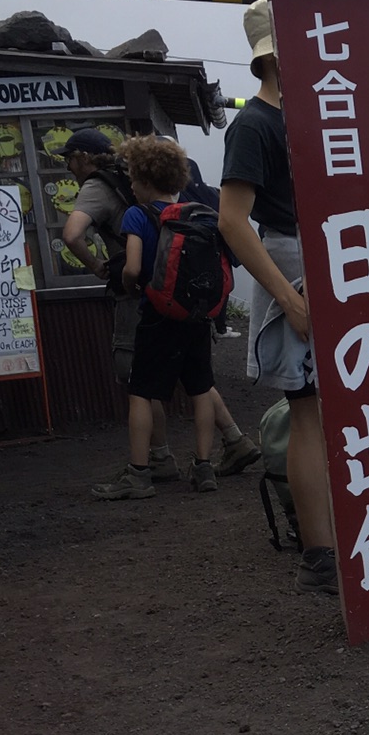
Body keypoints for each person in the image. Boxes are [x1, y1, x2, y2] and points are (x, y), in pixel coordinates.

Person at [218, 0, 336, 593]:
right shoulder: (254, 124)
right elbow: (232, 221)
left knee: (336, 407)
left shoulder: (314, 116)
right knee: (310, 409)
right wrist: (288, 300)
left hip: (336, 258)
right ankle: (320, 548)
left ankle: (339, 536)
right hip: (290, 259)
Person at [62, 128, 258, 478]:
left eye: (69, 160)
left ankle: (156, 459)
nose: (68, 168)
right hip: (194, 304)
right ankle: (213, 455)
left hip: (149, 302)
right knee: (197, 378)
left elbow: (73, 234)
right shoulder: (193, 208)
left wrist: (101, 269)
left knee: (139, 379)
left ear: (82, 157)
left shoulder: (105, 190)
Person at [90, 137, 221, 500]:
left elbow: (131, 266)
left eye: (133, 178)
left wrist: (132, 285)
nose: (130, 185)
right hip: (195, 315)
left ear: (146, 180)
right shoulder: (199, 213)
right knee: (199, 388)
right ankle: (204, 466)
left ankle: (139, 473)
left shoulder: (137, 214)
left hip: (157, 314)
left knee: (142, 392)